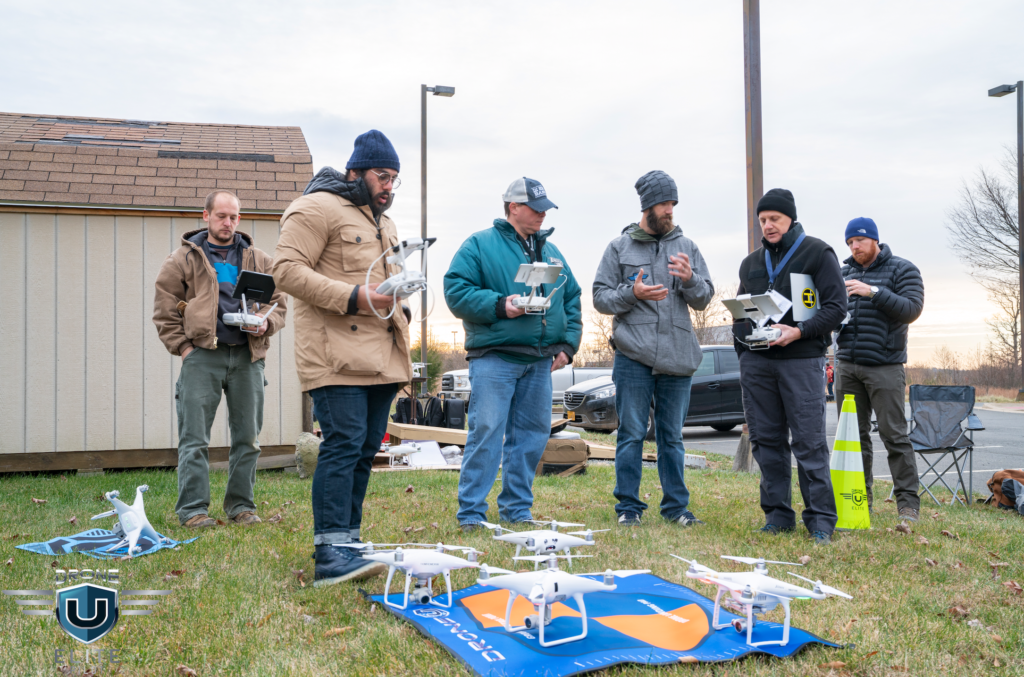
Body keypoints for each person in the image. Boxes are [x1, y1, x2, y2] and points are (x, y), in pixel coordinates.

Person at [273, 130, 412, 586]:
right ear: (355, 172)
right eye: (381, 175)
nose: (389, 186)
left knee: (366, 448)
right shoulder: (314, 207)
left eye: (394, 178)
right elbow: (286, 271)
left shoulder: (384, 223)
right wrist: (356, 296)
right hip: (334, 354)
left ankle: (349, 542)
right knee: (344, 442)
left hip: (381, 353)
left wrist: (401, 302)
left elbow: (385, 281)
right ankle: (330, 553)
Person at [444, 177, 582, 531]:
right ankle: (472, 513)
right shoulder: (479, 245)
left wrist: (567, 346)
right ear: (512, 208)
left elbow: (571, 298)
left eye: (544, 209)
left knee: (532, 436)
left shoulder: (552, 252)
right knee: (486, 431)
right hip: (495, 358)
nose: (541, 214)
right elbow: (456, 291)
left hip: (539, 361)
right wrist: (500, 305)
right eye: (535, 208)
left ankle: (517, 509)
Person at [153, 190, 288, 528]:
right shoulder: (182, 260)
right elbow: (164, 309)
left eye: (233, 217)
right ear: (206, 216)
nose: (227, 223)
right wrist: (184, 349)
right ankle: (193, 511)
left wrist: (267, 323)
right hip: (203, 357)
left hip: (248, 357)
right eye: (221, 216)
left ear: (239, 219)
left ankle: (242, 507)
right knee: (194, 438)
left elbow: (280, 302)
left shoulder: (260, 260)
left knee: (248, 439)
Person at [593, 170, 714, 527]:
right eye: (664, 204)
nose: (670, 211)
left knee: (672, 438)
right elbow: (600, 298)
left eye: (673, 204)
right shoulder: (619, 247)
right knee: (631, 433)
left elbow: (704, 298)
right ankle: (628, 507)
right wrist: (633, 294)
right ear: (647, 206)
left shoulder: (687, 247)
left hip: (678, 356)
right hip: (634, 356)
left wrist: (691, 280)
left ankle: (676, 508)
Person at [733, 188, 847, 545]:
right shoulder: (751, 263)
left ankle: (821, 521)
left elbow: (836, 307)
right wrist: (746, 344)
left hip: (801, 360)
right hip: (758, 365)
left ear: (791, 219)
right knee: (767, 441)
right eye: (763, 220)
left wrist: (797, 332)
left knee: (809, 443)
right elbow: (739, 313)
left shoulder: (817, 252)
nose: (768, 226)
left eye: (774, 219)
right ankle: (778, 515)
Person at [835, 217, 924, 523]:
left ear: (874, 239)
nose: (854, 247)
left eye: (858, 240)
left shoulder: (902, 269)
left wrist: (871, 291)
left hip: (885, 366)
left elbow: (912, 310)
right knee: (852, 438)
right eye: (849, 242)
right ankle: (860, 503)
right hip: (846, 365)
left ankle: (908, 507)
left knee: (894, 436)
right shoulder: (842, 271)